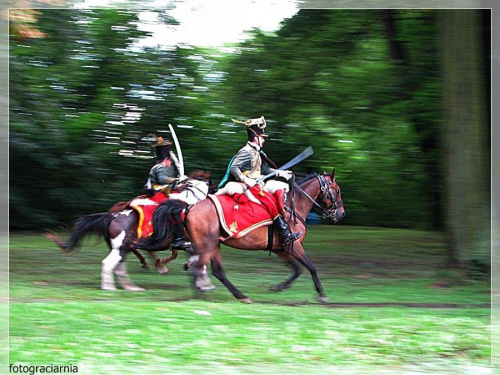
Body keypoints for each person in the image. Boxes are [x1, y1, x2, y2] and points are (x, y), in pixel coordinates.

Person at [221, 116, 302, 246]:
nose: (264, 140)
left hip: (257, 184)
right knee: (270, 203)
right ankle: (285, 235)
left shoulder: (256, 152)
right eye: (262, 137)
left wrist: (279, 173)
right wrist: (246, 179)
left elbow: (264, 169)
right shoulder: (246, 151)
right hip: (248, 186)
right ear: (256, 137)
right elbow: (234, 168)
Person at [144, 135, 190, 250]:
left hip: (164, 191)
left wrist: (179, 184)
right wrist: (177, 180)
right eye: (170, 161)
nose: (171, 163)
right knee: (176, 209)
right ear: (166, 160)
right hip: (157, 193)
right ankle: (178, 239)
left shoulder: (165, 167)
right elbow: (163, 180)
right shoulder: (159, 167)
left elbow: (169, 184)